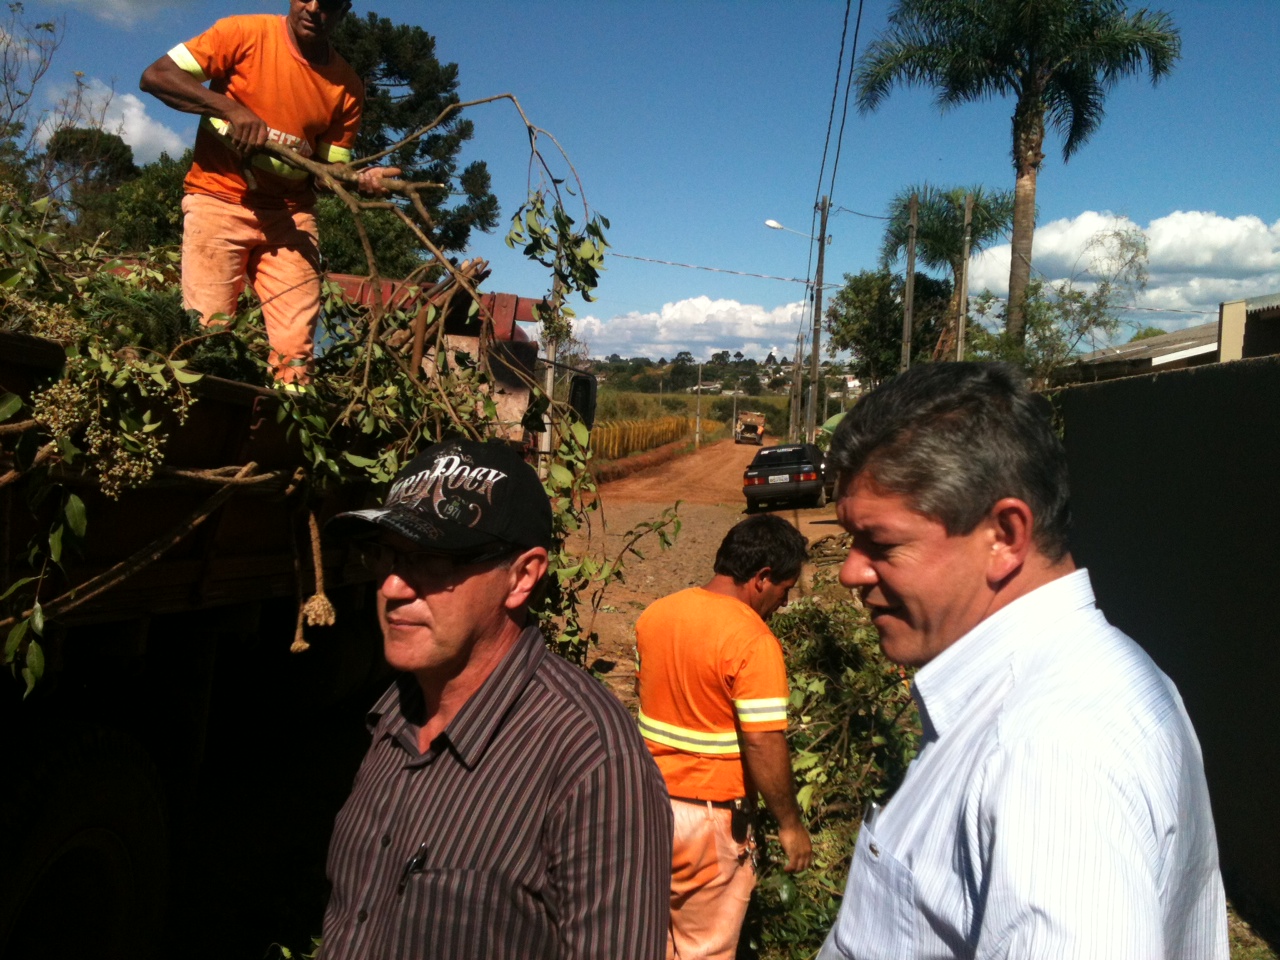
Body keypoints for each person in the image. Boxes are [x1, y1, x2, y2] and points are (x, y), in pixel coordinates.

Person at [818, 362, 1227, 959]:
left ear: (1005, 535)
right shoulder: (1089, 681)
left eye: (881, 544)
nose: (850, 572)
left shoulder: (1052, 752)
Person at [320, 438, 673, 960]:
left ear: (522, 576)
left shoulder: (592, 759)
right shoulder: (394, 714)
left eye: (433, 560)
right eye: (386, 555)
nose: (392, 586)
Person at [139, 0, 398, 385]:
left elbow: (327, 171)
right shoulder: (242, 33)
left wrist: (360, 179)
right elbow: (156, 76)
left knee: (295, 354)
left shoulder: (347, 85)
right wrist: (229, 108)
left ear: (343, 10)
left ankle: (282, 431)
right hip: (217, 200)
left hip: (289, 216)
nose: (311, 8)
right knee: (206, 336)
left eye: (325, 3)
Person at [636, 514, 814, 960]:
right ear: (762, 578)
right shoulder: (752, 639)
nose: (783, 604)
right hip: (711, 822)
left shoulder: (657, 615)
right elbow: (762, 741)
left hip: (646, 806)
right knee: (706, 951)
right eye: (784, 591)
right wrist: (790, 824)